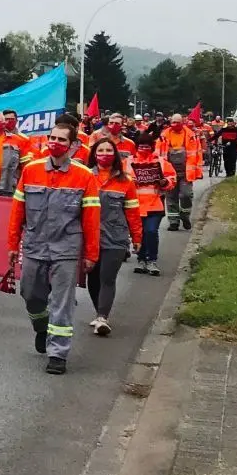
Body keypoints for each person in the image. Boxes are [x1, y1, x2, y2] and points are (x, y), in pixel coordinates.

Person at [7, 121, 101, 375]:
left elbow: (91, 217)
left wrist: (91, 254)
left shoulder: (84, 176)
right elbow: (17, 211)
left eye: (61, 140)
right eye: (52, 138)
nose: (55, 143)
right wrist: (12, 244)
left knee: (62, 301)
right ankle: (41, 326)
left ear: (72, 146)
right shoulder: (31, 171)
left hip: (67, 248)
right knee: (31, 294)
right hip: (35, 244)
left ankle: (58, 353)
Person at [87, 138, 142, 338]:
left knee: (107, 278)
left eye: (109, 150)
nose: (104, 153)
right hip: (89, 237)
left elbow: (133, 212)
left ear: (115, 154)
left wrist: (137, 236)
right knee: (92, 278)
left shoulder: (125, 181)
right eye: (100, 150)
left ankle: (103, 317)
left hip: (116, 238)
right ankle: (98, 311)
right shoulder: (84, 177)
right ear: (93, 154)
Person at [129, 135, 175, 276]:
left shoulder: (161, 162)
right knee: (139, 234)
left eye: (147, 146)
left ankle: (152, 260)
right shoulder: (127, 162)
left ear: (152, 147)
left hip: (154, 204)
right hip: (134, 206)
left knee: (151, 232)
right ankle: (141, 259)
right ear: (137, 147)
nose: (144, 148)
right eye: (141, 146)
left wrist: (164, 182)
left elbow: (172, 179)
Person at [155, 113, 203, 232]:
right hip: (169, 173)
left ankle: (185, 215)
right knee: (171, 197)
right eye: (173, 122)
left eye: (177, 122)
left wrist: (198, 171)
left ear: (183, 122)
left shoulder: (191, 135)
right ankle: (173, 222)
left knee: (186, 195)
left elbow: (198, 153)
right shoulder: (164, 135)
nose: (174, 125)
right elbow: (157, 154)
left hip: (186, 172)